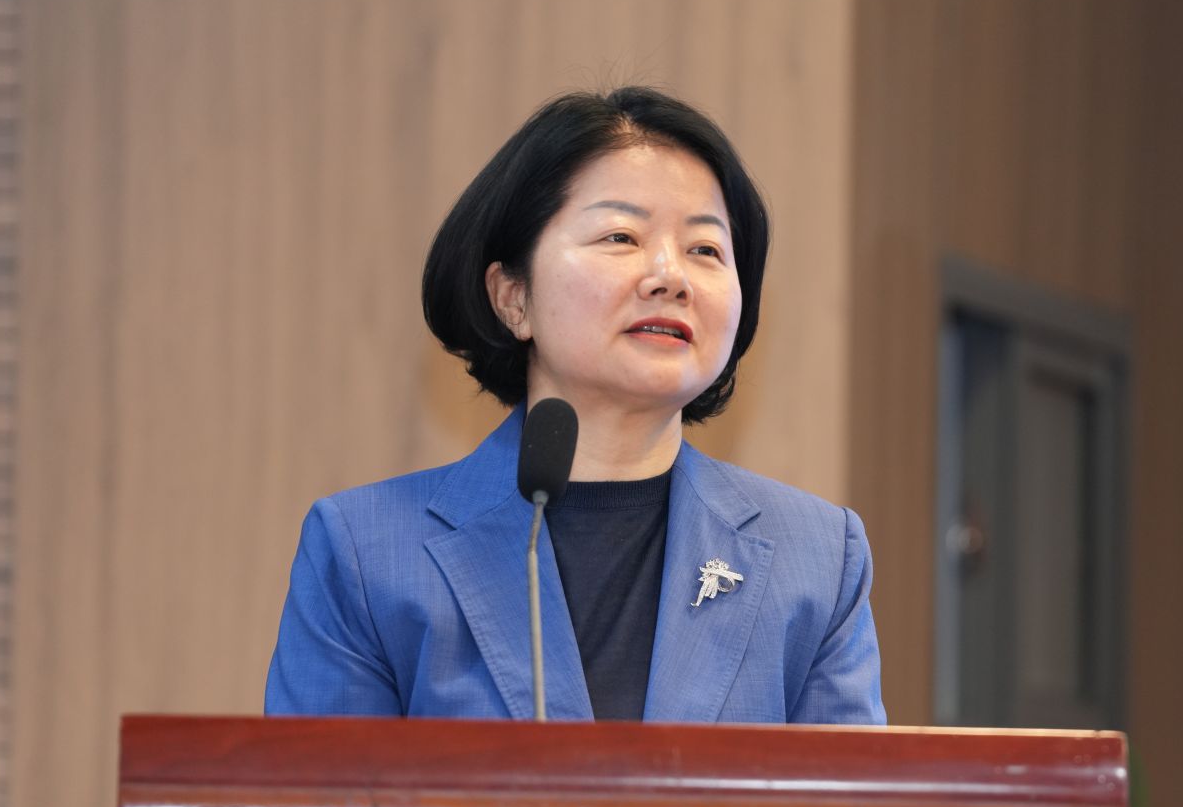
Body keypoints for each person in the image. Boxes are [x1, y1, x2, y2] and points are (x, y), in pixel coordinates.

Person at [264, 88, 884, 725]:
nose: (670, 276)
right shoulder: (366, 554)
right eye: (621, 236)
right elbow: (324, 791)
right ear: (513, 298)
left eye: (705, 249)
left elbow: (851, 793)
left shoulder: (817, 561)